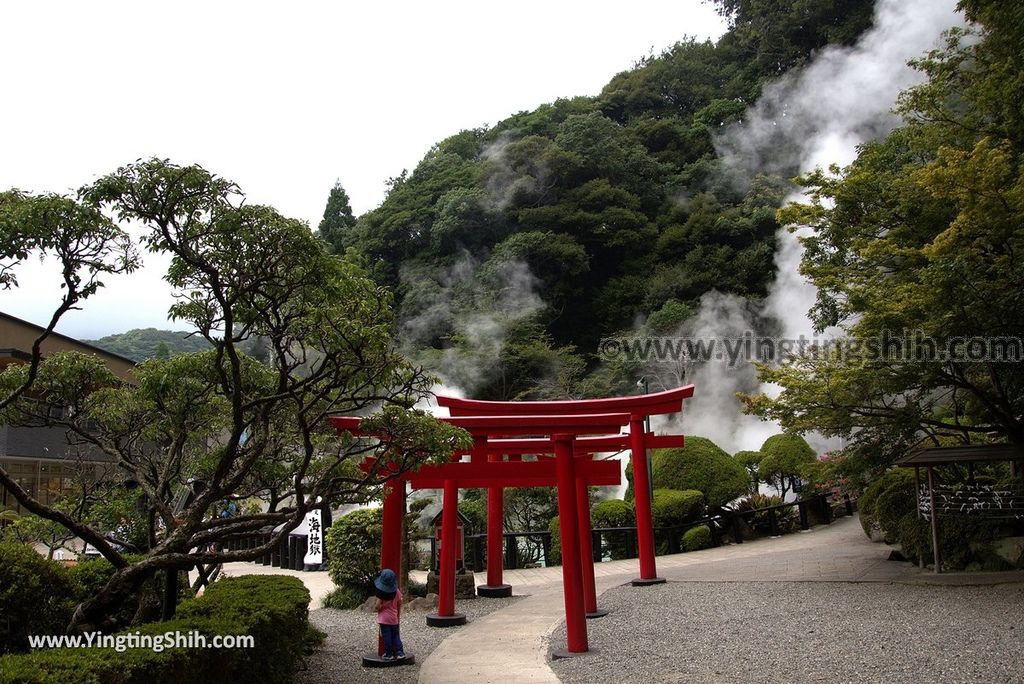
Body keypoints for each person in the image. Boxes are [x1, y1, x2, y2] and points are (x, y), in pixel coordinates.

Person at [373, 568, 405, 660]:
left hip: (384, 619)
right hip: (394, 618)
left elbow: (378, 606)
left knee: (387, 636)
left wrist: (377, 606)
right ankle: (400, 652)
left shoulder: (381, 594)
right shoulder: (397, 592)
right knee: (395, 635)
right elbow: (400, 601)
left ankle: (388, 654)